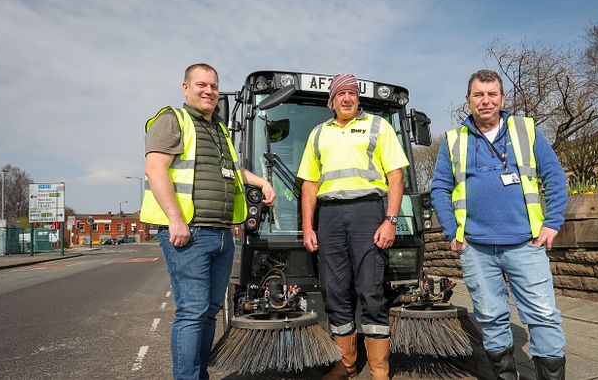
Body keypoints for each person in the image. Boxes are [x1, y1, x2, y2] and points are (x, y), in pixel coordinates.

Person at [140, 63, 275, 380]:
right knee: (192, 312)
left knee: (210, 312)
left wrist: (261, 182)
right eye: (201, 85)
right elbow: (155, 169)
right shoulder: (173, 120)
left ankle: (199, 375)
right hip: (190, 234)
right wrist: (176, 219)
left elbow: (232, 171)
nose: (209, 91)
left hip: (222, 235)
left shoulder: (218, 129)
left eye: (213, 86)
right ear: (185, 88)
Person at [431, 69, 567, 380]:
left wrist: (552, 223)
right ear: (468, 100)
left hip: (525, 243)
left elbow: (555, 177)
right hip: (476, 248)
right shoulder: (454, 140)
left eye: (492, 94)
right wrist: (452, 231)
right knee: (491, 318)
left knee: (543, 316)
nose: (486, 101)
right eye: (478, 95)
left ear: (502, 99)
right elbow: (439, 187)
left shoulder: (526, 130)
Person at [298, 73, 409, 380]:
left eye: (352, 93)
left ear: (357, 99)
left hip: (368, 212)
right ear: (331, 101)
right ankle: (345, 365)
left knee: (371, 289)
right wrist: (309, 226)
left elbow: (396, 176)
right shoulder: (319, 133)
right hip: (330, 216)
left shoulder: (379, 126)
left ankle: (378, 370)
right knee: (334, 290)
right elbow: (310, 184)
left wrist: (390, 220)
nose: (347, 98)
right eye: (341, 94)